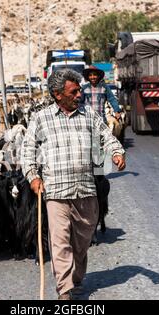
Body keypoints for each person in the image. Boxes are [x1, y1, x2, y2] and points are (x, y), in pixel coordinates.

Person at [21, 68, 126, 300]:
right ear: (58, 94)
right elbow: (28, 150)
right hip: (56, 192)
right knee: (60, 243)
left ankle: (76, 278)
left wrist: (116, 152)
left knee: (82, 240)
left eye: (79, 90)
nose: (80, 94)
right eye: (74, 91)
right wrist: (33, 176)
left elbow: (106, 137)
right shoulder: (41, 119)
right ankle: (64, 290)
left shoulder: (88, 115)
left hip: (85, 189)